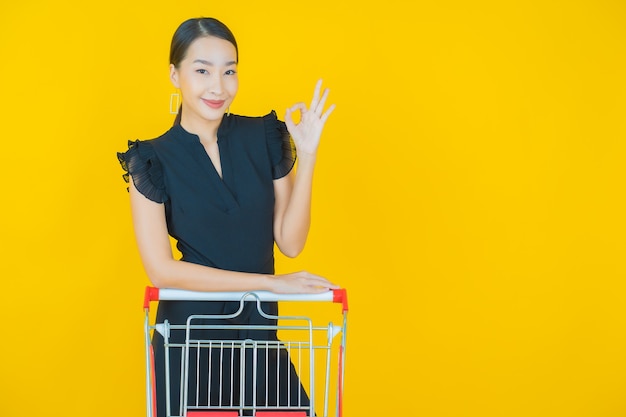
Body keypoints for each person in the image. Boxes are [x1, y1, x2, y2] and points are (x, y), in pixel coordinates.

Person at [117, 17, 337, 416]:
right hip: (190, 341)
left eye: (229, 71)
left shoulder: (264, 136)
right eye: (202, 70)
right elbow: (162, 272)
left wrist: (307, 157)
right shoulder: (150, 160)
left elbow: (290, 242)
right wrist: (270, 284)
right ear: (175, 75)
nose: (218, 86)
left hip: (257, 335)